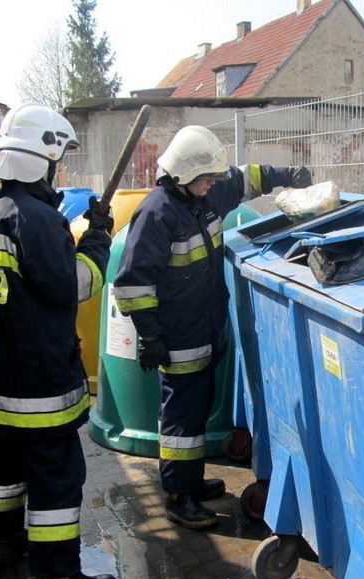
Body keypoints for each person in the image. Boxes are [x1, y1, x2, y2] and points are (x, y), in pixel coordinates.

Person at [0, 103, 117, 579]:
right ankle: (62, 577)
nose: (60, 170)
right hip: (37, 386)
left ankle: (6, 544)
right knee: (56, 477)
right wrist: (96, 240)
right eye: (58, 160)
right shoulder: (40, 221)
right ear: (42, 159)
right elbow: (76, 286)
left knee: (3, 465)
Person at [113, 125, 311, 531]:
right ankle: (177, 496)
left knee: (197, 411)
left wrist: (289, 175)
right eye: (204, 179)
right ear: (182, 175)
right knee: (181, 420)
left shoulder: (204, 194)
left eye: (211, 179)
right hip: (177, 337)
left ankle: (191, 480)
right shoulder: (157, 214)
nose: (210, 185)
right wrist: (150, 336)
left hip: (205, 328)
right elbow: (132, 283)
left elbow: (246, 177)